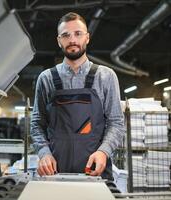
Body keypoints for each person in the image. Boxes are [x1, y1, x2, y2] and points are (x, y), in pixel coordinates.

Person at [30, 12, 125, 180]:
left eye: (78, 34)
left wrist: (104, 152)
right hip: (56, 171)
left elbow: (116, 123)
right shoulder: (46, 79)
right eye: (66, 35)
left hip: (96, 170)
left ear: (87, 38)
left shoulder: (106, 76)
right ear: (59, 40)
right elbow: (37, 124)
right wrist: (44, 154)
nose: (72, 40)